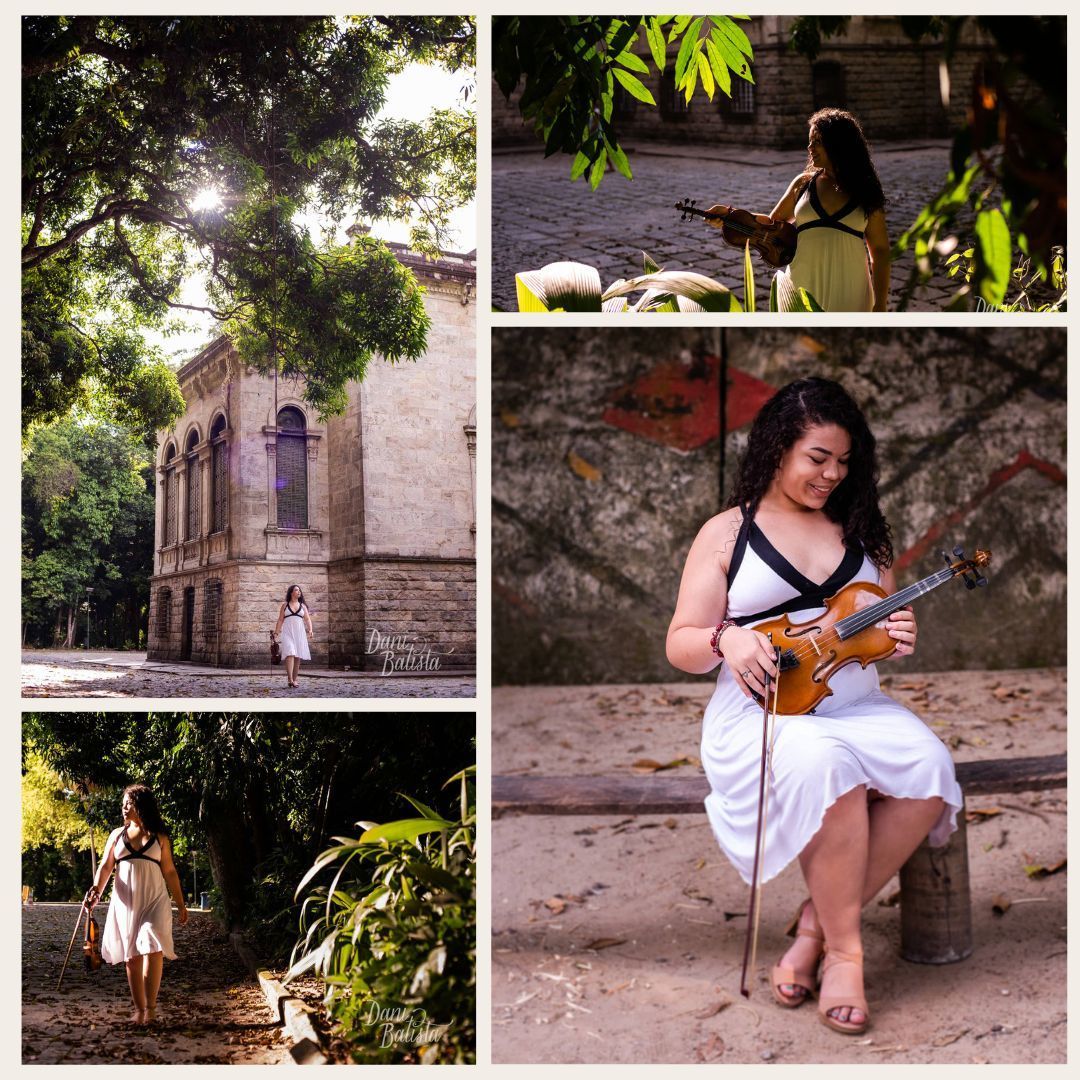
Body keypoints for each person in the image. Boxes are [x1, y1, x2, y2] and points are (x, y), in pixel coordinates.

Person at [665, 377, 962, 1035]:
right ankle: (846, 957)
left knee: (930, 769)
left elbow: (871, 636)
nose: (832, 475)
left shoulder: (863, 532)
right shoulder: (727, 533)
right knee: (830, 767)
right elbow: (681, 642)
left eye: (844, 462)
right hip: (763, 714)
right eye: (818, 458)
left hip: (855, 706)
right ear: (778, 449)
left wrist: (898, 635)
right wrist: (725, 638)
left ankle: (812, 927)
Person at [85, 784, 188, 1024]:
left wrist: (181, 904)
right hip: (126, 904)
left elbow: (170, 871)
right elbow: (106, 867)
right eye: (123, 803)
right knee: (132, 955)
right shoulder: (116, 835)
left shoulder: (159, 836)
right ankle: (139, 1009)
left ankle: (150, 1008)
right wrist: (96, 891)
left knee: (153, 944)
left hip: (155, 899)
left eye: (128, 803)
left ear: (141, 805)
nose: (124, 808)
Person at [769, 109, 890, 312]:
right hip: (800, 288)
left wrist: (880, 304)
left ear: (838, 144)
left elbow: (880, 250)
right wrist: (728, 217)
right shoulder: (803, 184)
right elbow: (770, 226)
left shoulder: (866, 189)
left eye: (817, 141)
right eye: (810, 141)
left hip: (851, 292)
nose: (809, 148)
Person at [273, 584, 313, 688]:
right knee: (290, 653)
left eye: (299, 590)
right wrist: (276, 632)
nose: (299, 592)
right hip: (287, 633)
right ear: (291, 592)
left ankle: (295, 680)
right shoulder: (285, 605)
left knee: (297, 656)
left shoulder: (303, 606)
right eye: (296, 590)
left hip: (299, 633)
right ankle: (290, 679)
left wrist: (310, 630)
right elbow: (280, 620)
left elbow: (307, 619)